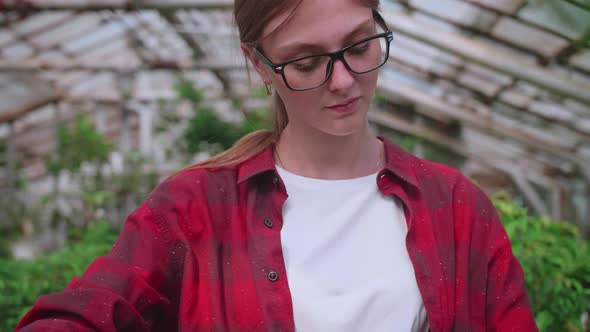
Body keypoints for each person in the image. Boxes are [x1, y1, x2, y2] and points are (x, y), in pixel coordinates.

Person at [16, 0, 539, 331]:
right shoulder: (195, 208)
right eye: (306, 62)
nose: (342, 81)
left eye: (359, 45)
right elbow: (94, 307)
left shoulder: (456, 206)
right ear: (258, 65)